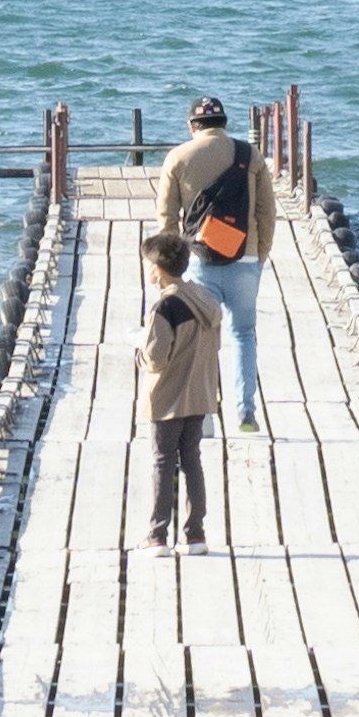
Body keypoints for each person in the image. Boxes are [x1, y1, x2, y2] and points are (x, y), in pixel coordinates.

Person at [151, 93, 276, 438]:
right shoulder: (249, 155)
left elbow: (167, 220)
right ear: (224, 124)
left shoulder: (177, 158)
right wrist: (258, 254)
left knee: (201, 339)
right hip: (245, 258)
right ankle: (245, 411)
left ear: (192, 126)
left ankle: (204, 418)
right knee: (244, 334)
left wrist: (167, 268)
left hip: (199, 262)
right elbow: (267, 212)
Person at [139, 229, 219, 548]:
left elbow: (156, 359)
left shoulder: (165, 307)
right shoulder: (205, 298)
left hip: (169, 398)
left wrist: (138, 354)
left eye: (148, 264)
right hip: (199, 394)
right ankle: (195, 533)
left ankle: (157, 535)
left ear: (158, 268)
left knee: (162, 462)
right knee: (192, 461)